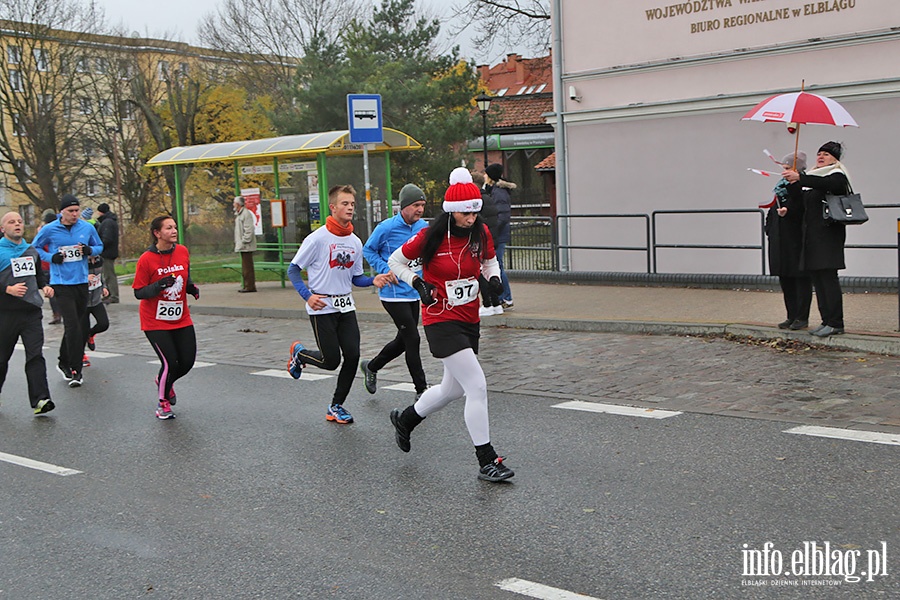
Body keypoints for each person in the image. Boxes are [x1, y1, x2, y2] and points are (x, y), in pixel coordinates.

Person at [387, 167, 514, 483]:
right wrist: (417, 283)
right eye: (465, 213)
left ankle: (406, 420)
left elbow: (488, 260)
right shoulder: (430, 236)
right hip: (439, 317)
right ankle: (486, 459)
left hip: (469, 316)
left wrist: (493, 278)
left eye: (475, 211)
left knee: (451, 389)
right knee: (477, 385)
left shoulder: (480, 232)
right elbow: (395, 261)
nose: (471, 218)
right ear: (451, 211)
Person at [286, 185, 392, 424]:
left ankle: (336, 406)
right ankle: (300, 354)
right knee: (331, 360)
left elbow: (355, 277)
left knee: (353, 356)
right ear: (333, 207)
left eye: (352, 204)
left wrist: (372, 280)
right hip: (322, 306)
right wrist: (307, 296)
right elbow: (293, 269)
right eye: (345, 204)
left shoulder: (355, 241)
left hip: (345, 306)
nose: (350, 208)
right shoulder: (317, 239)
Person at [359, 183, 430, 399]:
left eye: (423, 205)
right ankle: (421, 390)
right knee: (413, 338)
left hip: (413, 291)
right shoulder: (386, 228)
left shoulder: (424, 227)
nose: (420, 209)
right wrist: (385, 269)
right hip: (392, 293)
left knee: (403, 340)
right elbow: (368, 250)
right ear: (404, 206)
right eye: (416, 205)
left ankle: (371, 366)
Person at [132, 216, 200, 419]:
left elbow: (185, 274)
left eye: (175, 227)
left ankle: (163, 380)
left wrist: (191, 288)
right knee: (170, 362)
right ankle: (163, 404)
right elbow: (138, 292)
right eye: (168, 228)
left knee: (187, 362)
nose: (174, 231)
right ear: (157, 233)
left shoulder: (182, 251)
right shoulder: (146, 259)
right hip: (155, 320)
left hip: (180, 316)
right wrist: (159, 285)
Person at [781, 141, 852, 337]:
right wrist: (794, 183)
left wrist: (802, 178)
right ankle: (825, 320)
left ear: (835, 159)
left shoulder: (836, 175)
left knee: (828, 278)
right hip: (812, 236)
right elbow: (801, 202)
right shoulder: (813, 178)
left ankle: (836, 322)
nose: (821, 157)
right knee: (818, 279)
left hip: (828, 235)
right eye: (819, 153)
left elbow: (830, 185)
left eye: (826, 154)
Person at [32, 194, 103, 388]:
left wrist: (89, 251)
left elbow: (99, 246)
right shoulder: (50, 229)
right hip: (61, 284)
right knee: (72, 326)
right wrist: (50, 257)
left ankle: (63, 361)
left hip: (81, 282)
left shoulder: (86, 227)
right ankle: (75, 370)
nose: (74, 214)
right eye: (70, 211)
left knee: (79, 327)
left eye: (76, 210)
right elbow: (35, 247)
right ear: (62, 212)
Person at [0, 212, 56, 415]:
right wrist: (7, 289)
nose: (17, 224)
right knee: (1, 358)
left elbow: (38, 276)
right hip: (5, 313)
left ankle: (41, 399)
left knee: (35, 356)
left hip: (31, 312)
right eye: (11, 222)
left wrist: (45, 287)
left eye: (20, 222)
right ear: (2, 229)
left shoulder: (31, 250)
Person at [766, 152, 812, 330]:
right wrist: (769, 229)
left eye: (787, 169)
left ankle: (801, 317)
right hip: (779, 239)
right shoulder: (779, 187)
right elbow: (772, 209)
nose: (784, 172)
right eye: (783, 169)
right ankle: (791, 315)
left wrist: (789, 212)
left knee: (800, 279)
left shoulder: (803, 185)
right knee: (785, 278)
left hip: (796, 239)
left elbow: (803, 208)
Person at [484, 163, 515, 309]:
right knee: (496, 266)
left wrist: (492, 232)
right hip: (497, 235)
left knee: (498, 266)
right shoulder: (495, 191)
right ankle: (501, 296)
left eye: (486, 174)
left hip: (498, 236)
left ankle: (506, 297)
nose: (484, 176)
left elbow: (502, 217)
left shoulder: (499, 193)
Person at [473, 170, 503, 316]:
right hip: (491, 238)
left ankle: (487, 303)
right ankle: (496, 303)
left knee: (480, 274)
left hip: (481, 240)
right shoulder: (489, 197)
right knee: (491, 272)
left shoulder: (477, 200)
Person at [81, 255, 109, 367]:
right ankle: (81, 356)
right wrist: (84, 278)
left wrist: (104, 287)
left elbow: (100, 276)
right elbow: (71, 276)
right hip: (83, 301)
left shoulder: (99, 260)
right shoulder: (80, 261)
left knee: (104, 324)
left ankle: (91, 334)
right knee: (82, 329)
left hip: (96, 299)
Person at [38, 210, 63, 324]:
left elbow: (38, 249)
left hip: (47, 265)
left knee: (52, 291)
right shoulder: (60, 231)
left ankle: (57, 314)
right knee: (58, 290)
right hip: (55, 265)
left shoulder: (43, 232)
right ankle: (59, 313)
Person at [94, 203, 120, 304]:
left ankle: (113, 296)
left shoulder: (107, 222)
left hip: (107, 253)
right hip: (110, 252)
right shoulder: (110, 221)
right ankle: (109, 294)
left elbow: (107, 239)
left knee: (109, 275)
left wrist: (98, 246)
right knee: (107, 275)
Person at [233, 196, 257, 293]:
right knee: (245, 267)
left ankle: (250, 286)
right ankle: (247, 285)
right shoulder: (240, 214)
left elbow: (249, 230)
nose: (233, 205)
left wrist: (243, 241)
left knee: (248, 267)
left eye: (234, 203)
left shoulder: (245, 214)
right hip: (243, 245)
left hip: (246, 246)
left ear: (238, 204)